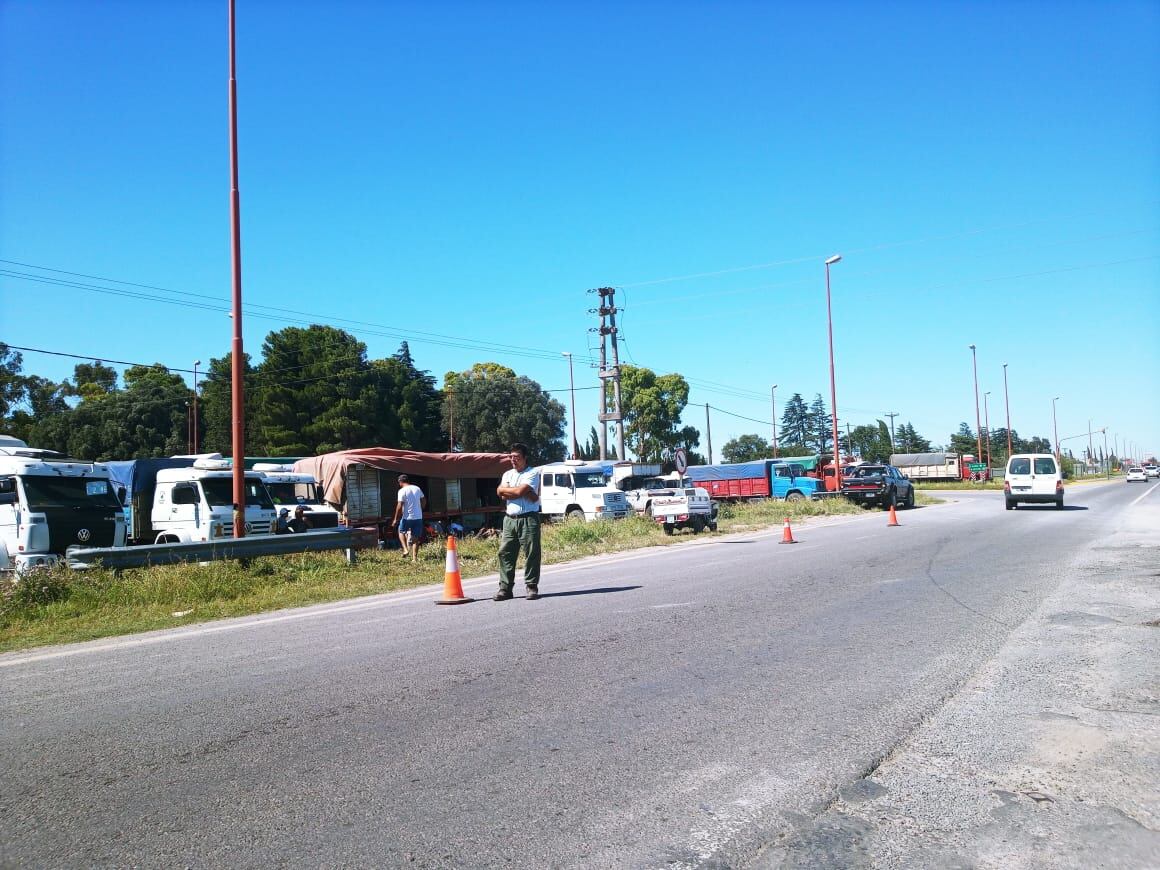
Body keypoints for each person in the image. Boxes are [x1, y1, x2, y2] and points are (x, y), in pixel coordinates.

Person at [495, 442, 542, 601]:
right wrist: (517, 491)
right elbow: (500, 493)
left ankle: (531, 586)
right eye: (511, 457)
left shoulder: (532, 473)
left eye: (517, 457)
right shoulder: (507, 474)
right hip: (510, 519)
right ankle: (505, 588)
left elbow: (517, 491)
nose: (513, 460)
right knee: (505, 553)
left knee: (531, 553)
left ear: (525, 458)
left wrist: (514, 491)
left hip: (528, 518)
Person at [392, 474, 426, 563]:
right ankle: (414, 559)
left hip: (407, 517)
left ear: (400, 482)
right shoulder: (417, 488)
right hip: (418, 517)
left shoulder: (402, 491)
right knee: (416, 539)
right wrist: (420, 509)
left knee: (400, 531)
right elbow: (424, 500)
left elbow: (399, 505)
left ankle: (405, 549)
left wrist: (395, 518)